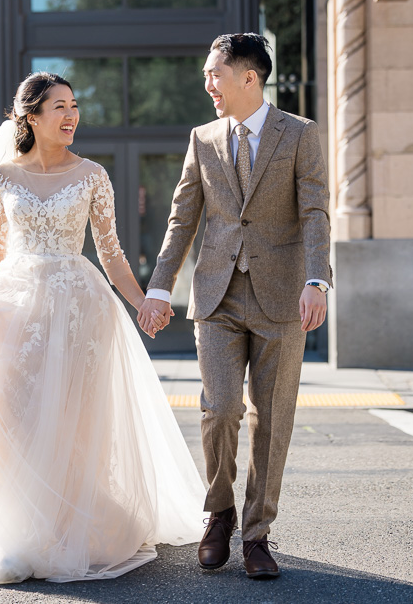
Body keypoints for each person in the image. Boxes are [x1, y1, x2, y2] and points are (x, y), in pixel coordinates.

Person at [0, 72, 206, 584]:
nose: (71, 115)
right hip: (12, 311)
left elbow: (111, 255)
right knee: (9, 418)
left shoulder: (93, 176)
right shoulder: (2, 177)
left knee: (72, 422)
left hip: (79, 312)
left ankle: (64, 526)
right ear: (31, 116)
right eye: (60, 106)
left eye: (74, 105)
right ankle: (12, 528)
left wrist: (144, 303)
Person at [138, 34, 332, 579]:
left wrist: (317, 280)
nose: (208, 84)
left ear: (249, 77)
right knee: (220, 408)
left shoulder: (300, 134)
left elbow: (315, 211)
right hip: (217, 295)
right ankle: (219, 512)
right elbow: (182, 219)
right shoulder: (203, 138)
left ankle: (257, 534)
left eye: (214, 74)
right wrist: (159, 287)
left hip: (281, 296)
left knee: (272, 418)